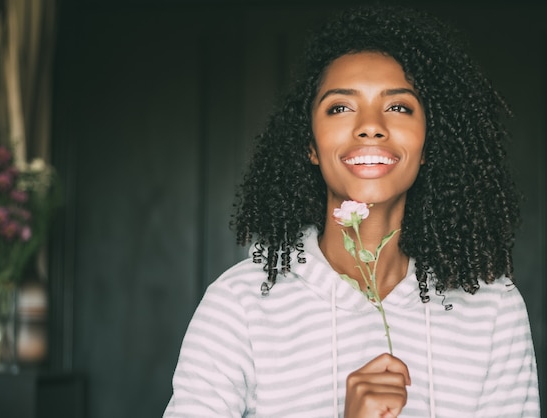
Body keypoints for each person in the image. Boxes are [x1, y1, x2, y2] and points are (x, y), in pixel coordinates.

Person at [163, 4, 540, 417]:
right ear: (310, 144)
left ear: (430, 144)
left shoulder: (493, 308)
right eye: (340, 107)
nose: (370, 125)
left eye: (399, 107)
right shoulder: (239, 305)